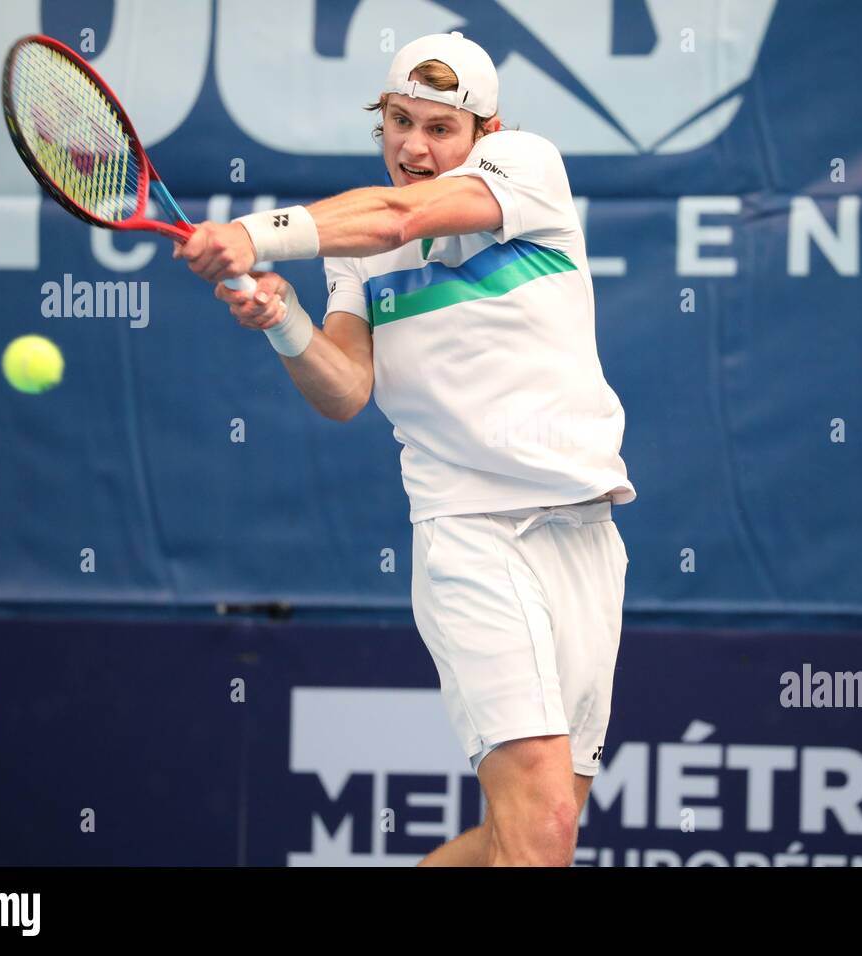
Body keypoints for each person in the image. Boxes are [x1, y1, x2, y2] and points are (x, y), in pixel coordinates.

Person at [175, 32, 635, 867]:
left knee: (537, 822)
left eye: (439, 127)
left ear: (484, 138)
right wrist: (284, 323)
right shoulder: (362, 257)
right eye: (398, 122)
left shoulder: (528, 167)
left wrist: (250, 234)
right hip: (471, 533)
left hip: (586, 533)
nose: (415, 147)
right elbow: (346, 389)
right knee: (540, 827)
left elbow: (404, 212)